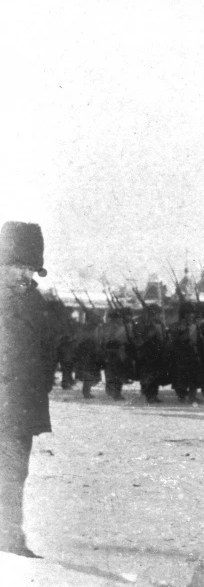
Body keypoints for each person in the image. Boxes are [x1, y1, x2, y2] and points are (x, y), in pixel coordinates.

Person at [0, 221, 56, 558]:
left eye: (31, 268)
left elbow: (44, 352)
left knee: (15, 472)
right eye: (19, 267)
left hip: (21, 406)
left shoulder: (33, 301)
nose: (27, 275)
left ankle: (8, 538)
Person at [133, 303, 170, 403]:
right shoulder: (141, 325)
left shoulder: (160, 324)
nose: (156, 315)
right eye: (154, 313)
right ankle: (148, 395)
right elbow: (138, 341)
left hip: (157, 352)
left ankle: (154, 394)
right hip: (146, 353)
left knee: (156, 375)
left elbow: (164, 337)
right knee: (146, 375)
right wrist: (150, 333)